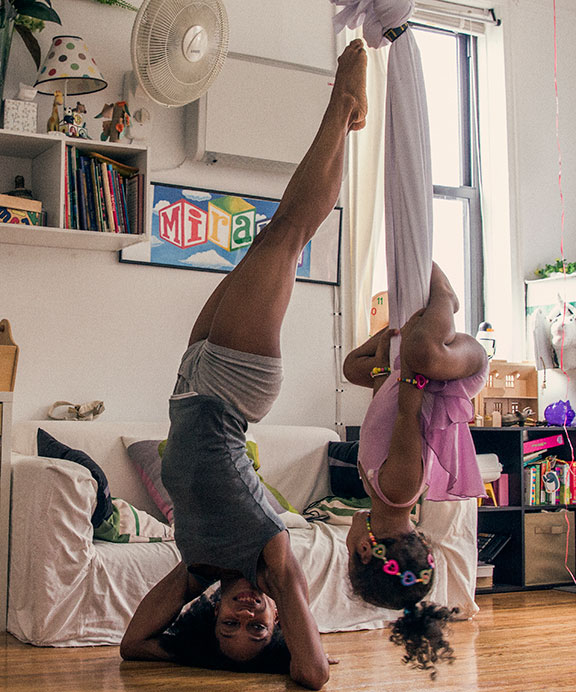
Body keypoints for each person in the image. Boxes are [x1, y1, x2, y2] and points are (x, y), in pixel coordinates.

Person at [120, 38, 369, 690]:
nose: (244, 616)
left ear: (209, 618)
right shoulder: (272, 557)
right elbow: (313, 675)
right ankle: (343, 104)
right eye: (256, 628)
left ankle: (346, 109)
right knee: (288, 234)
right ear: (276, 622)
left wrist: (193, 654)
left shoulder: (198, 569)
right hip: (233, 391)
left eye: (227, 627)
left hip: (191, 384)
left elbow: (134, 644)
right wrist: (287, 638)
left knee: (276, 234)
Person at [341, 261, 488, 678]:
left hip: (413, 379)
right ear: (366, 548)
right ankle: (446, 297)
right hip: (449, 375)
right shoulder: (399, 490)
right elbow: (409, 410)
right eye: (350, 554)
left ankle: (408, 340)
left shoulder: (376, 489)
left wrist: (384, 350)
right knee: (421, 352)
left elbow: (380, 414)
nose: (349, 546)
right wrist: (407, 354)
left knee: (353, 366)